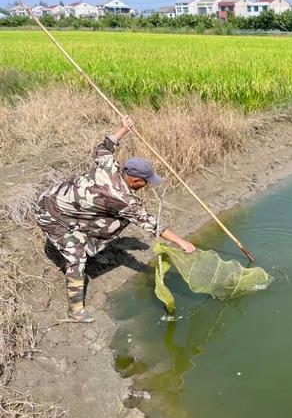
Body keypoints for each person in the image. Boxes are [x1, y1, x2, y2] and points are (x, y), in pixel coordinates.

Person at [35, 116, 195, 323]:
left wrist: (123, 129)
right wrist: (182, 242)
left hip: (56, 200)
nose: (147, 185)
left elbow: (104, 146)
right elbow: (151, 224)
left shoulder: (109, 165)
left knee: (109, 221)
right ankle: (75, 311)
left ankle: (86, 241)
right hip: (51, 214)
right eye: (146, 182)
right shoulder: (123, 200)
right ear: (135, 180)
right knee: (77, 258)